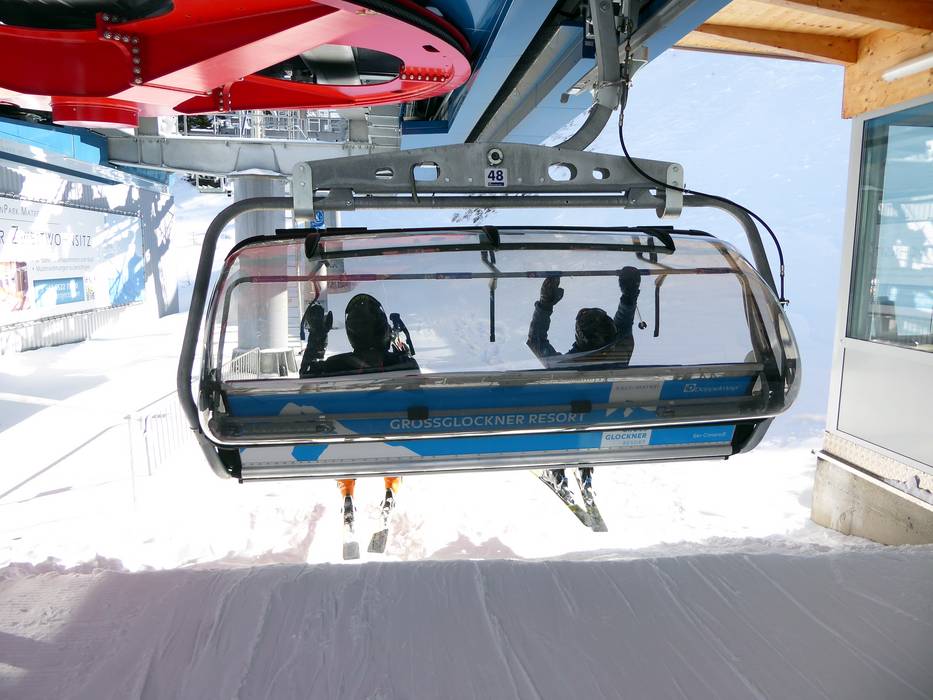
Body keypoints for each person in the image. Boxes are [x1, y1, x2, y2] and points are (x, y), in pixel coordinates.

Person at [300, 293, 419, 531]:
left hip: (347, 439)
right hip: (390, 437)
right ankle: (391, 487)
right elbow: (415, 391)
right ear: (383, 330)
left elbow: (306, 379)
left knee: (342, 439)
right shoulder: (401, 365)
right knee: (394, 435)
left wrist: (318, 336)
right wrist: (401, 346)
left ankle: (347, 492)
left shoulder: (335, 365)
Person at [526, 266, 641, 501]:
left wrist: (545, 304)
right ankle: (585, 471)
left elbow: (536, 340)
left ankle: (556, 470)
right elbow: (624, 324)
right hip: (601, 421)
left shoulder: (563, 367)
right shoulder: (621, 351)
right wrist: (629, 295)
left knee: (562, 416)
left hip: (569, 420)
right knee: (587, 418)